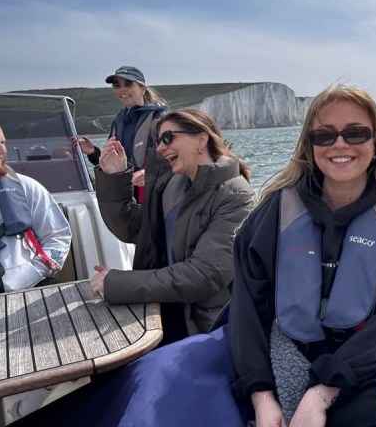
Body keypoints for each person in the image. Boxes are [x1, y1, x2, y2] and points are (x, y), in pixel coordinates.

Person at [228, 85, 376, 427]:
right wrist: (261, 395)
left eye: (356, 133)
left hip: (364, 371)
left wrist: (321, 392)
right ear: (310, 145)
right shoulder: (272, 215)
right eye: (324, 135)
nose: (340, 144)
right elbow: (248, 307)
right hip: (281, 356)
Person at [92, 108, 256, 343]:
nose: (159, 147)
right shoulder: (172, 185)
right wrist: (115, 177)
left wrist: (118, 283)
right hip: (164, 310)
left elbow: (204, 275)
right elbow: (134, 229)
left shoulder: (236, 195)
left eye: (168, 138)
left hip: (207, 327)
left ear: (201, 139)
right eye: (158, 140)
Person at [0, 117, 71, 294]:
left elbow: (58, 236)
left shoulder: (26, 187)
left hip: (32, 286)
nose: (1, 150)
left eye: (3, 142)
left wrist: (35, 272)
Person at [72, 66, 167, 200]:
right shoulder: (119, 121)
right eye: (117, 85)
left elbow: (175, 157)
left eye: (128, 84)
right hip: (125, 196)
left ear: (143, 89)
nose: (122, 89)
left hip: (153, 197)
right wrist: (92, 152)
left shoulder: (160, 119)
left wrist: (151, 173)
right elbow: (112, 163)